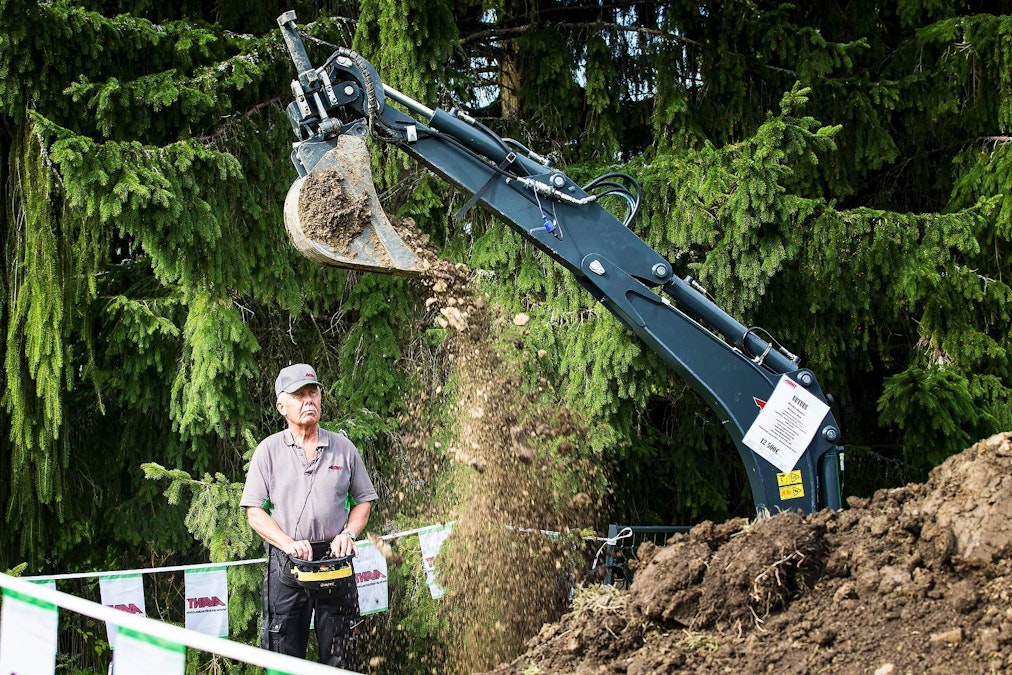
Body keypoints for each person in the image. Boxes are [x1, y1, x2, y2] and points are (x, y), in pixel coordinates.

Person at [241, 363, 378, 668]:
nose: (308, 401)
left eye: (313, 393)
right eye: (299, 395)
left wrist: (349, 534)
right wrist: (287, 543)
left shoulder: (343, 448)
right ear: (281, 405)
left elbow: (364, 502)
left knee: (342, 653)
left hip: (335, 559)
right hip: (289, 562)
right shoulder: (268, 451)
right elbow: (254, 513)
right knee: (283, 655)